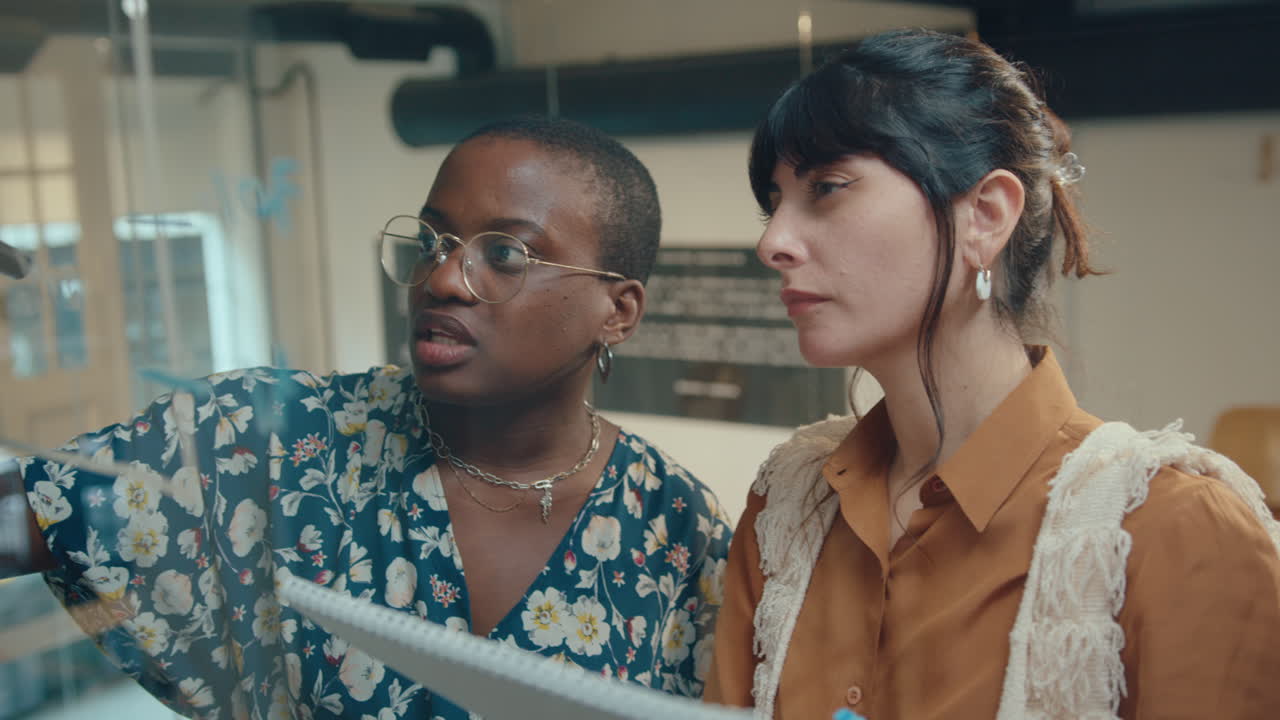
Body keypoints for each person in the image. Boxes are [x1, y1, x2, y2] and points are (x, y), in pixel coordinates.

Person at [13, 116, 733, 719]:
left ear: (619, 310)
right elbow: (32, 518)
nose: (444, 278)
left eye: (506, 253)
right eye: (431, 242)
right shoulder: (277, 438)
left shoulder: (675, 533)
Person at [703, 29, 1280, 720]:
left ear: (984, 215)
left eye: (826, 188)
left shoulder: (1169, 528)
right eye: (774, 203)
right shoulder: (790, 507)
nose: (772, 243)